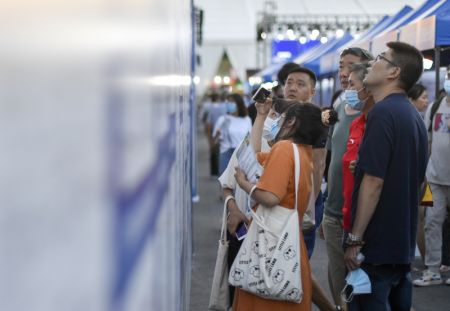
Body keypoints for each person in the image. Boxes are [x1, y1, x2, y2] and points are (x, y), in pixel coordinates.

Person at [343, 41, 427, 310]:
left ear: (394, 73)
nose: (372, 63)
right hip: (400, 246)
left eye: (380, 58)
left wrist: (355, 238)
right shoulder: (412, 115)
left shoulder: (383, 112)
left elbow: (374, 182)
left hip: (376, 247)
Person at [233, 103, 327, 311]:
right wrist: (261, 115)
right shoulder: (302, 152)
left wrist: (244, 185)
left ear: (291, 122)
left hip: (270, 244)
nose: (277, 122)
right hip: (287, 241)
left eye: (281, 117)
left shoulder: (284, 149)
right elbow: (255, 155)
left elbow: (270, 197)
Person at [218, 98, 294, 306]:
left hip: (273, 239)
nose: (274, 120)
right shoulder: (247, 144)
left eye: (280, 117)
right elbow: (226, 184)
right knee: (239, 291)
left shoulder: (292, 154)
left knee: (268, 294)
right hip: (241, 230)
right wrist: (233, 209)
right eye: (272, 114)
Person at [321, 47, 373, 307]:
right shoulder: (340, 102)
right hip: (332, 212)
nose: (343, 74)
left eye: (350, 67)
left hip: (362, 215)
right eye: (341, 66)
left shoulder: (377, 113)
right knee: (336, 276)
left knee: (363, 283)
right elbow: (329, 157)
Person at [413, 65, 450, 286]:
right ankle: (433, 269)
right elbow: (427, 141)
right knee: (431, 223)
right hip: (435, 177)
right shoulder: (436, 106)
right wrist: (424, 171)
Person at [341, 63, 376, 235]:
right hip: (348, 214)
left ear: (367, 88)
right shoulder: (356, 123)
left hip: (368, 221)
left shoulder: (380, 124)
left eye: (352, 84)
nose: (347, 90)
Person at [213, 93, 252, 175]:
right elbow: (215, 141)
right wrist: (217, 134)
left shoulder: (247, 119)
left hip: (242, 155)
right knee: (226, 184)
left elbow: (250, 138)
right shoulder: (223, 119)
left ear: (238, 104)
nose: (228, 104)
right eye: (228, 102)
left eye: (231, 102)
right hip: (227, 154)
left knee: (240, 183)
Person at [206, 93, 227, 176]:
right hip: (225, 135)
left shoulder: (211, 108)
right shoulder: (226, 108)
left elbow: (209, 125)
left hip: (216, 135)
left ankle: (215, 173)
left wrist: (210, 139)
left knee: (216, 153)